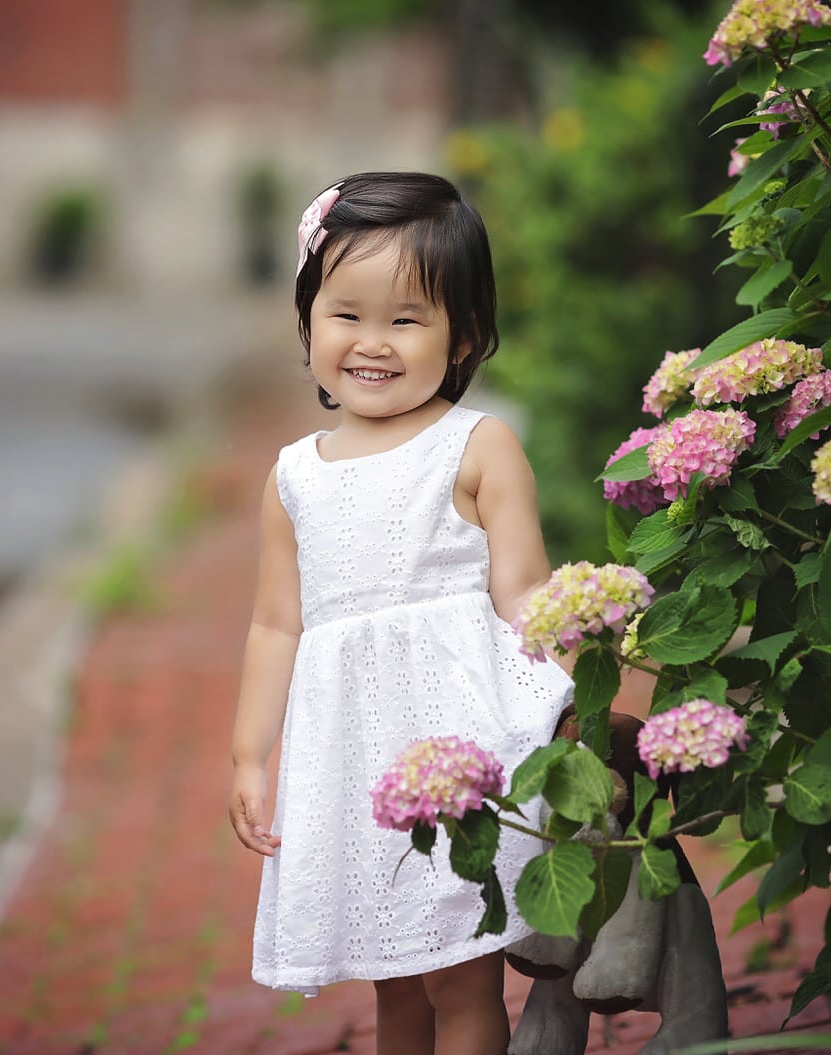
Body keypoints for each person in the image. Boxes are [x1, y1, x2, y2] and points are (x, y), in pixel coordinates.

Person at [227, 171, 574, 1055]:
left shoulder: (478, 444)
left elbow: (526, 595)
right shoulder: (295, 475)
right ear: (307, 322)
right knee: (394, 983)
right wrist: (249, 754)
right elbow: (277, 624)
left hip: (460, 756)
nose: (372, 342)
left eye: (406, 319)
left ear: (465, 336)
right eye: (346, 313)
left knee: (460, 975)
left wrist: (572, 704)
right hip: (357, 765)